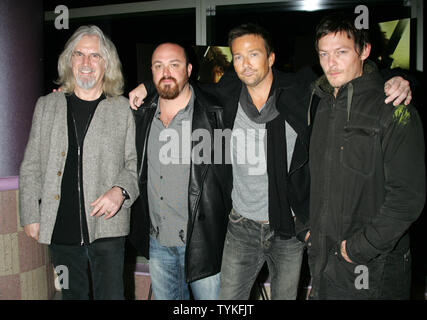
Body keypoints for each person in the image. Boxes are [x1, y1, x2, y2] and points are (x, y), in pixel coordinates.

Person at [129, 24, 412, 300]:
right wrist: (147, 87)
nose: (246, 64)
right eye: (238, 57)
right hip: (240, 227)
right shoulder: (227, 94)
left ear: (271, 58)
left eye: (253, 54)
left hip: (287, 228)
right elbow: (181, 85)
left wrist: (395, 77)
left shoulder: (298, 90)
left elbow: (344, 77)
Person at [305, 14, 425, 299]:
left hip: (373, 267)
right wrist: (307, 228)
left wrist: (360, 248)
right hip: (324, 262)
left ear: (365, 50)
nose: (331, 63)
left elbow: (407, 198)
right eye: (324, 54)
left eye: (341, 52)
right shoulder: (320, 103)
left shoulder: (394, 108)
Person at [19, 25, 139, 300]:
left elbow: (134, 163)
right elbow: (31, 166)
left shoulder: (122, 109)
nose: (86, 63)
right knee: (70, 295)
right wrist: (30, 214)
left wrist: (120, 190)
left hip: (108, 230)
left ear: (106, 63)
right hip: (60, 233)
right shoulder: (46, 105)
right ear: (68, 60)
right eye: (79, 54)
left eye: (95, 56)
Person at [128, 42, 231, 300]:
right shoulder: (140, 115)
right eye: (158, 66)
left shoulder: (215, 113)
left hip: (204, 242)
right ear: (150, 73)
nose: (166, 72)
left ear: (189, 69)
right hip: (158, 242)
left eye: (174, 65)